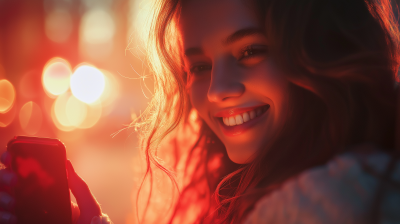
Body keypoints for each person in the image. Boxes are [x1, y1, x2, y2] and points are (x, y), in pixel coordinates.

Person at [1, 0, 400, 223]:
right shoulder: (270, 187)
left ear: (320, 47)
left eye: (250, 51)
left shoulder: (329, 206)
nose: (217, 90)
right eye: (200, 67)